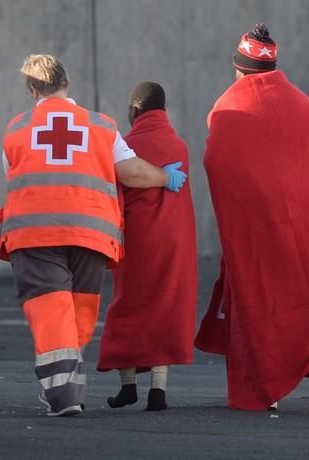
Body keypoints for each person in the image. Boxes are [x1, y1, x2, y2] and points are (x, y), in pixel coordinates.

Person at [0, 54, 188, 417]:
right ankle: (68, 385)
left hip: (35, 233)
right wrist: (165, 177)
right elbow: (131, 172)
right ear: (66, 84)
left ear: (33, 89)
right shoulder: (101, 125)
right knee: (78, 312)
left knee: (51, 311)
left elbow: (12, 178)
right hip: (91, 234)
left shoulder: (17, 128)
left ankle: (64, 395)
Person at [194, 24, 309, 416]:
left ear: (239, 68)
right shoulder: (304, 105)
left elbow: (216, 161)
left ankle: (264, 388)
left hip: (257, 226)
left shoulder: (228, 106)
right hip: (306, 225)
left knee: (260, 296)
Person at [97, 82, 198, 411]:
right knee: (164, 308)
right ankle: (159, 390)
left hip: (137, 242)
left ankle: (128, 386)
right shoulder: (179, 146)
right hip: (174, 243)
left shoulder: (127, 145)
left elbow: (116, 192)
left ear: (135, 110)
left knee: (129, 307)